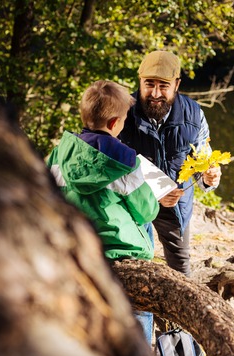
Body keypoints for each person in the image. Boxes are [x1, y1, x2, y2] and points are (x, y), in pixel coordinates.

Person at [47, 80, 159, 342]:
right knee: (145, 227)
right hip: (118, 251)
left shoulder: (58, 154)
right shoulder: (125, 159)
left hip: (76, 245)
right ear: (113, 124)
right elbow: (147, 211)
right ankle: (141, 343)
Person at [119, 50, 222, 277]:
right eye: (149, 84)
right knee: (132, 265)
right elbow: (112, 167)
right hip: (132, 203)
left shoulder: (194, 114)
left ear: (177, 84)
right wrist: (154, 192)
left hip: (174, 208)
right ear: (140, 82)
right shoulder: (121, 111)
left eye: (163, 85)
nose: (155, 93)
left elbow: (201, 160)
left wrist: (208, 177)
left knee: (181, 270)